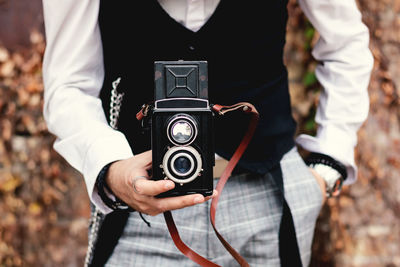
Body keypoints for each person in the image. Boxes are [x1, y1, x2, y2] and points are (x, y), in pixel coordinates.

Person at [41, 0, 373, 266]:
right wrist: (110, 169)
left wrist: (328, 164)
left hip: (271, 198)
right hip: (142, 211)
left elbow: (346, 45)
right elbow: (68, 84)